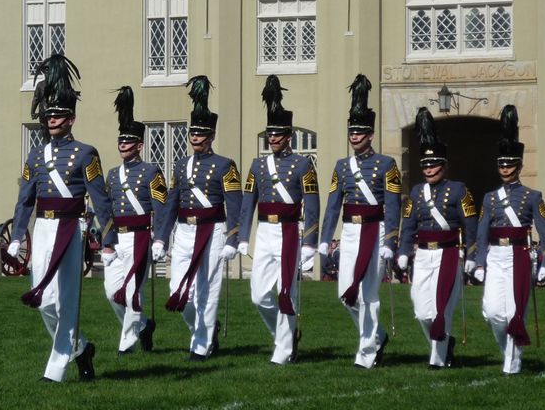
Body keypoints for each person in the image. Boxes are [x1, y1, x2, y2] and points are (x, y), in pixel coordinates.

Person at [8, 54, 111, 382]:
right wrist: (16, 235)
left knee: (63, 300)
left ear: (72, 118)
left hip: (72, 229)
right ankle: (81, 348)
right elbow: (26, 198)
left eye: (60, 115)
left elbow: (100, 197)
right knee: (43, 301)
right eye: (49, 114)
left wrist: (107, 239)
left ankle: (55, 369)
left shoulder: (85, 153)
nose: (53, 119)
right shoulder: (35, 155)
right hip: (43, 230)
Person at [153, 76, 242, 361]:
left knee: (208, 289)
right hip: (184, 231)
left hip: (213, 230)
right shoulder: (181, 165)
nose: (195, 138)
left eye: (201, 134)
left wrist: (233, 238)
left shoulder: (225, 165)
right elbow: (170, 204)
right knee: (178, 289)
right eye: (193, 133)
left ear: (211, 136)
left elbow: (235, 205)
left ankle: (202, 344)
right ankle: (205, 328)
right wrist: (161, 237)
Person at [318, 74, 402, 369]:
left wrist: (391, 241)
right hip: (351, 231)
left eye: (361, 132)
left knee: (367, 294)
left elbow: (392, 206)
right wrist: (325, 238)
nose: (355, 136)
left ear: (371, 135)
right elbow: (332, 206)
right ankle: (377, 334)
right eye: (352, 131)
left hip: (375, 231)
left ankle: (367, 352)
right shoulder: (342, 166)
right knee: (346, 295)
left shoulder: (387, 165)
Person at [237, 76, 320, 365]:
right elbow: (248, 201)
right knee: (259, 296)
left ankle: (283, 351)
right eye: (270, 133)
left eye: (278, 133)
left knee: (287, 291)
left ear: (289, 136)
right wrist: (242, 236)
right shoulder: (257, 165)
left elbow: (312, 203)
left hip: (290, 232)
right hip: (265, 232)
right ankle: (285, 333)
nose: (272, 138)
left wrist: (310, 242)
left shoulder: (302, 164)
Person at [473, 105, 545, 375]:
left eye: (509, 164)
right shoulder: (490, 198)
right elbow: (482, 232)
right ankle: (507, 350)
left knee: (514, 312)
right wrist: (479, 262)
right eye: (501, 164)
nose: (505, 168)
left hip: (520, 256)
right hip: (495, 256)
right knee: (492, 312)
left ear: (519, 165)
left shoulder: (533, 196)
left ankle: (512, 361)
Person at [397, 107, 477, 369]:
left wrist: (472, 255)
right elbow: (408, 224)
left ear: (444, 165)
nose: (429, 169)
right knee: (421, 309)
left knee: (441, 308)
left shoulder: (458, 190)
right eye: (425, 165)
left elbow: (471, 223)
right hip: (423, 254)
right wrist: (403, 251)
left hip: (448, 252)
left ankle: (439, 359)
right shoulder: (417, 192)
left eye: (434, 164)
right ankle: (445, 342)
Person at [101, 86, 161, 355]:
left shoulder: (151, 171)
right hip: (118, 239)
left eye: (128, 141)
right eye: (120, 140)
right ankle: (144, 326)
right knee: (112, 291)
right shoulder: (112, 175)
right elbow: (106, 210)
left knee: (131, 291)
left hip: (140, 235)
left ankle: (127, 341)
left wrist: (159, 238)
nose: (122, 144)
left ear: (139, 145)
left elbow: (161, 205)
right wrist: (105, 241)